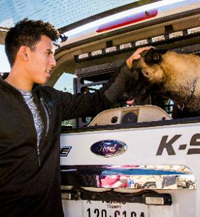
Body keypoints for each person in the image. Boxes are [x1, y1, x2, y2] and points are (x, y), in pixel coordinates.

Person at [0, 18, 151, 217]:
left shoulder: (50, 98)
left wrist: (128, 68)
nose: (53, 62)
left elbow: (97, 101)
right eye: (48, 53)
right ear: (24, 53)